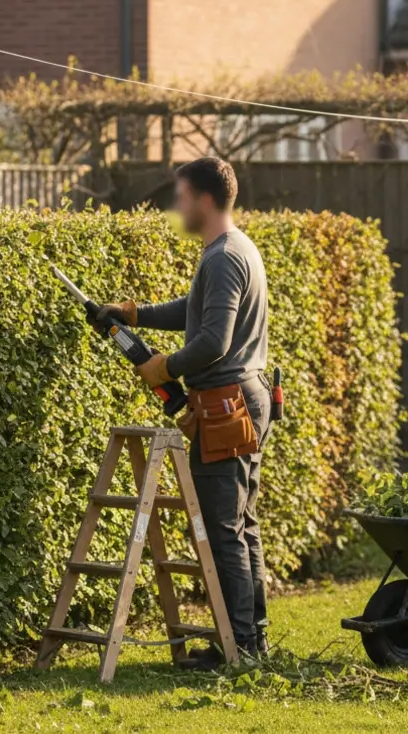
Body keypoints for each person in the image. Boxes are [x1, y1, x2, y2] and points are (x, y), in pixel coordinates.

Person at [91, 157, 272, 667]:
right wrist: (132, 315)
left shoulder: (221, 257)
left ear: (204, 199)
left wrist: (162, 366)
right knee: (242, 524)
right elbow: (194, 310)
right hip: (245, 396)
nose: (178, 205)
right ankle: (251, 642)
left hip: (226, 404)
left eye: (182, 195)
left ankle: (239, 650)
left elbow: (213, 340)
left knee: (223, 530)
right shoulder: (236, 249)